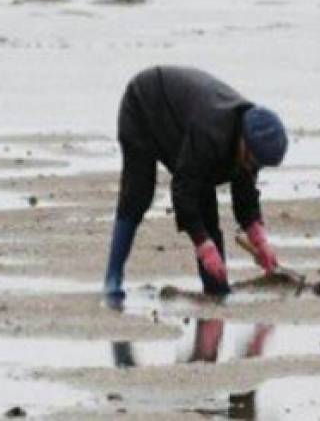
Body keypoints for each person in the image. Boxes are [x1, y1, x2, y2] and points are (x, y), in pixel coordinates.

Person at [103, 66, 288, 301]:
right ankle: (113, 277)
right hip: (144, 104)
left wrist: (260, 240)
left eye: (259, 165)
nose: (254, 168)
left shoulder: (248, 141)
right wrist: (204, 246)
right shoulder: (211, 133)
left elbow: (245, 193)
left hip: (184, 120)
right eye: (253, 161)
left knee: (206, 206)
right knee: (138, 194)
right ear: (244, 140)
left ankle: (216, 289)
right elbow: (183, 191)